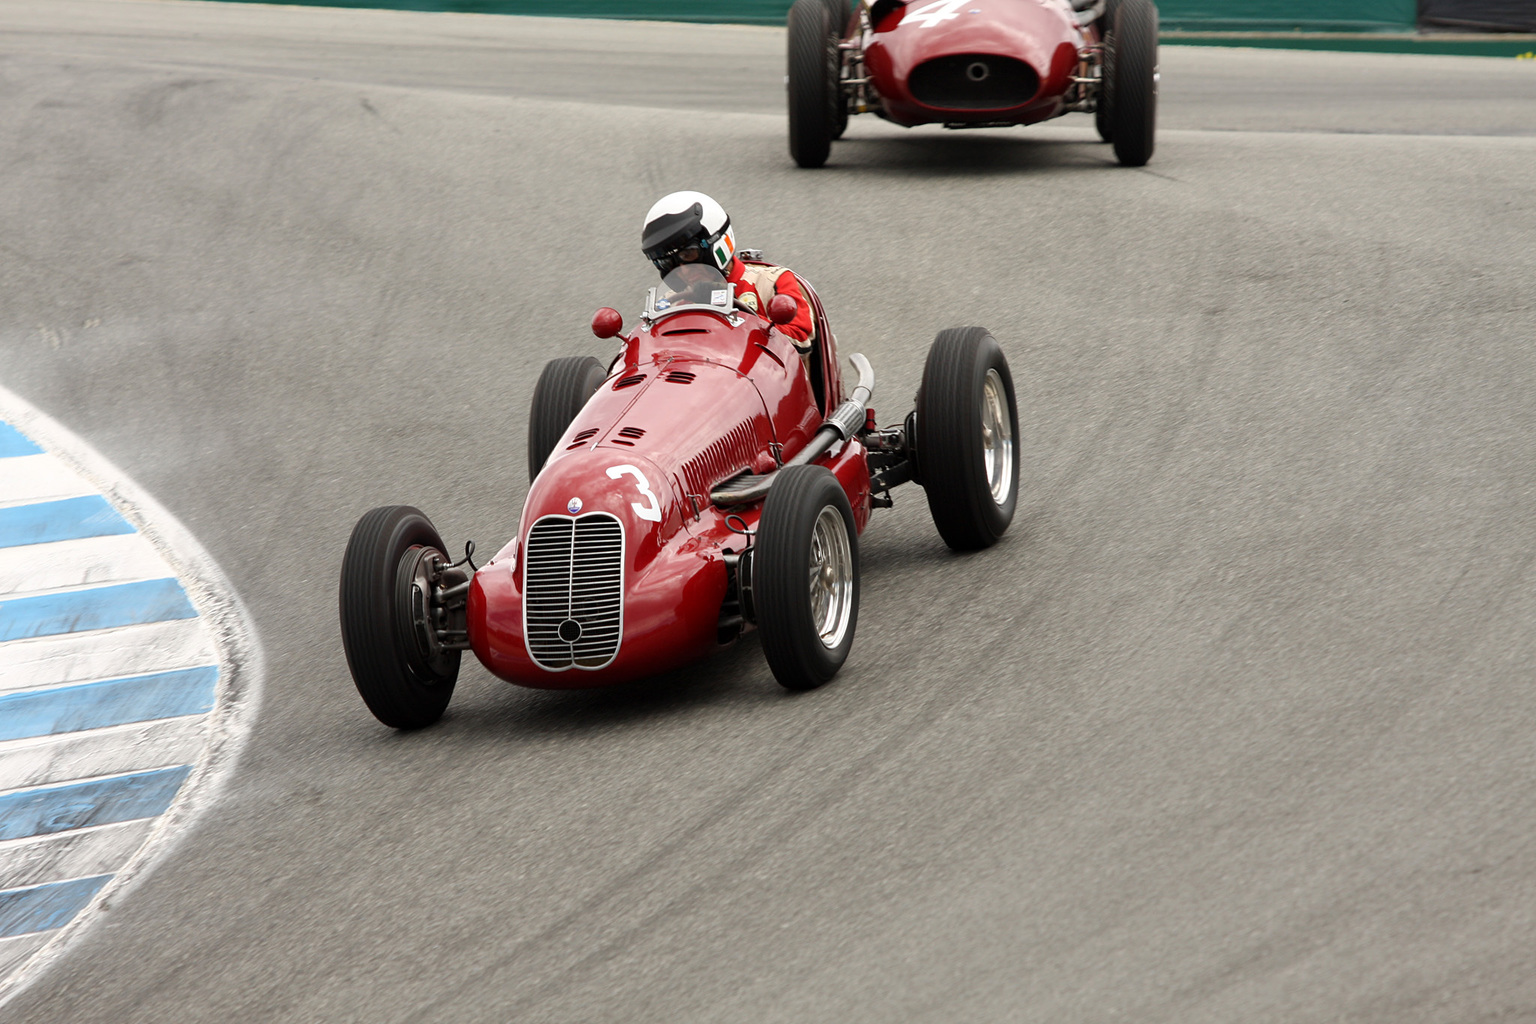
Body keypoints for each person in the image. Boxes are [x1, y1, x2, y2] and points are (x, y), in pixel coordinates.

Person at [640, 191, 816, 351]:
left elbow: (802, 342)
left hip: (767, 379)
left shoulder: (771, 282)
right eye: (666, 262)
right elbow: (654, 353)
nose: (683, 271)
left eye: (688, 254)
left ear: (717, 244)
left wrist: (734, 310)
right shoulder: (670, 303)